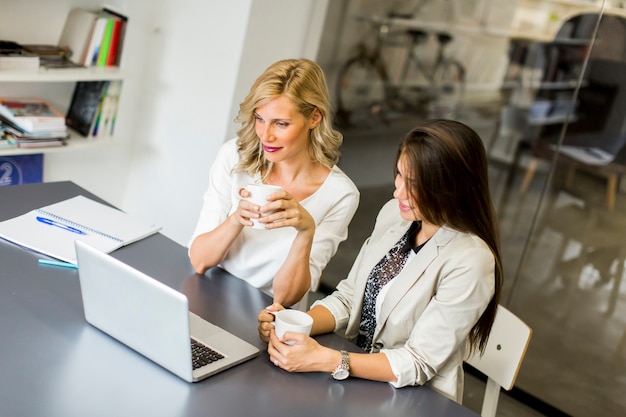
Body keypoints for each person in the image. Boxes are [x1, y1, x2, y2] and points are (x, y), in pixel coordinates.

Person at [257, 119, 503, 403]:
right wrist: (293, 325)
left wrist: (327, 360)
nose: (398, 191)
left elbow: (418, 361)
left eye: (416, 184)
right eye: (399, 175)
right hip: (356, 383)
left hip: (415, 400)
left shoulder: (471, 260)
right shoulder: (394, 215)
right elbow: (349, 299)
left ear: (452, 188)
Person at [188, 58, 360, 307]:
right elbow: (199, 260)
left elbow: (286, 298)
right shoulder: (234, 157)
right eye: (260, 119)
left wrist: (305, 231)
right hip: (206, 293)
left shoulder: (340, 195)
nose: (265, 135)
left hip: (266, 314)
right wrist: (236, 219)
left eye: (281, 123)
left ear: (314, 118)